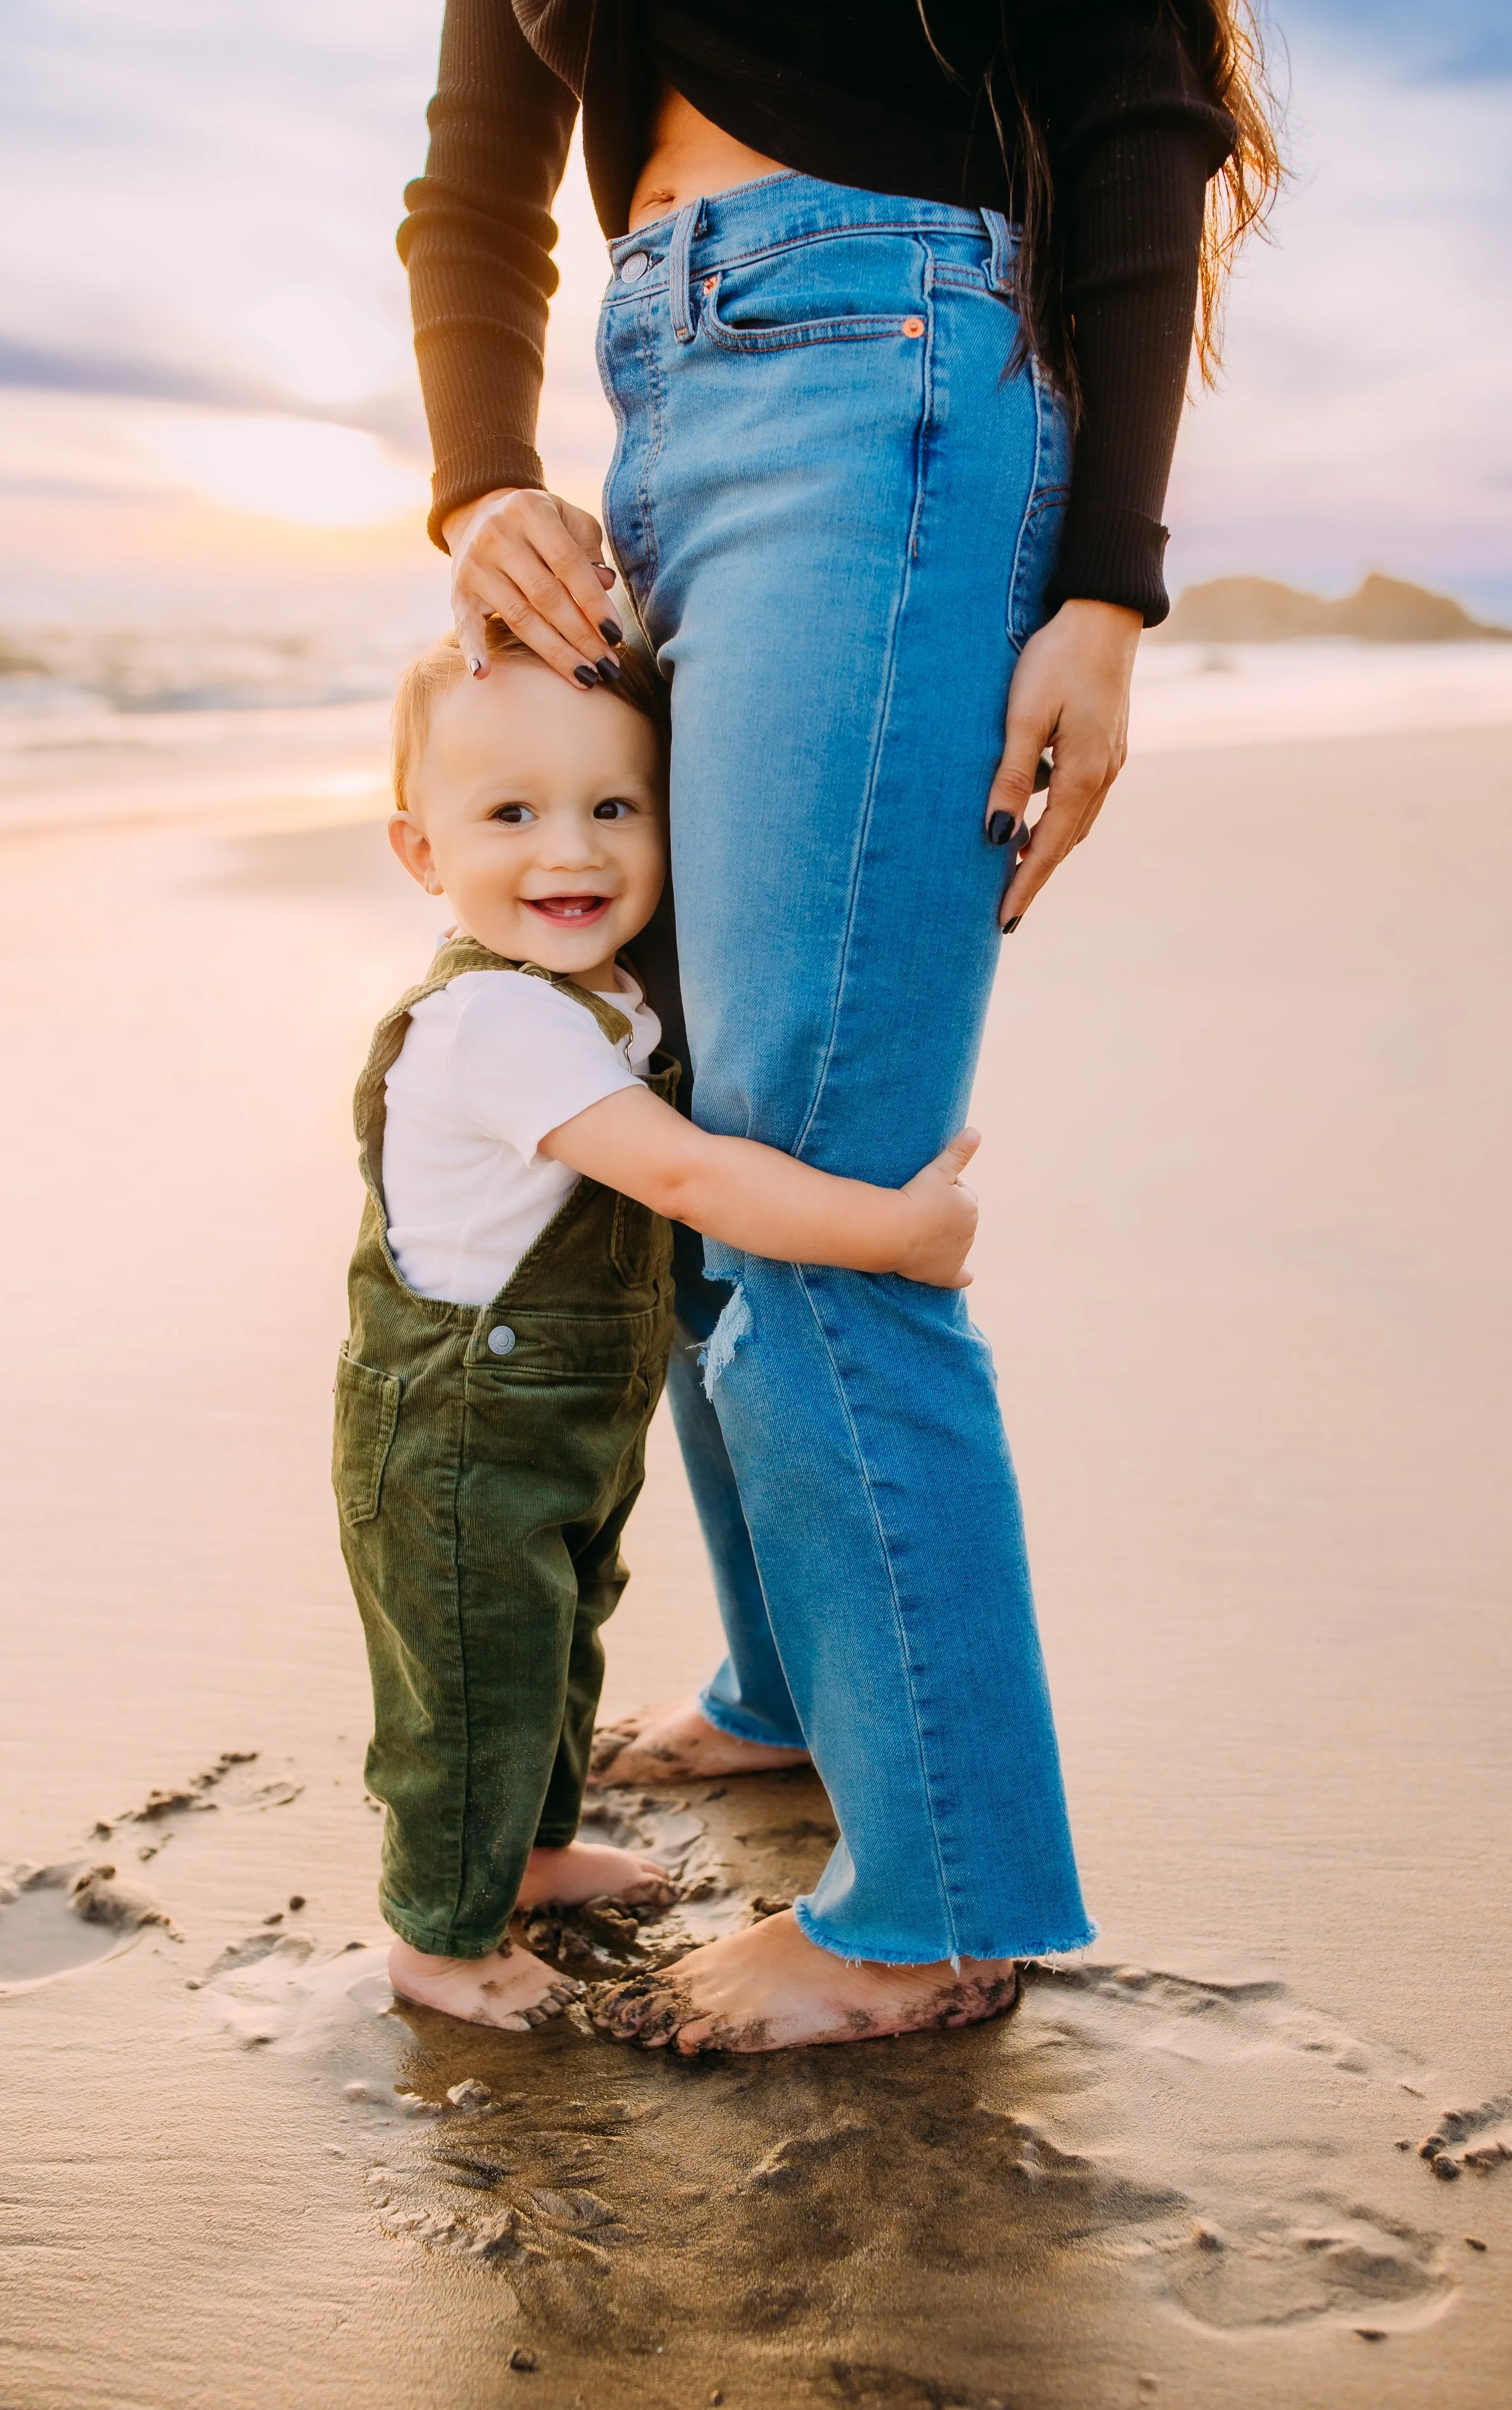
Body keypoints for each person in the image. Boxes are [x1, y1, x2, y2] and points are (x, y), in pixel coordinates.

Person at [396, 2, 1279, 2051]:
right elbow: (474, 165)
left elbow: (1133, 93)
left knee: (803, 1173)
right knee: (683, 1115)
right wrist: (475, 484)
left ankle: (932, 1910)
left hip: (883, 359)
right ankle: (790, 1686)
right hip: (659, 401)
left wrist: (1107, 591)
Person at [332, 623, 983, 2030]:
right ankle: (437, 1939)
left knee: (558, 1640)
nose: (570, 849)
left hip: (558, 1420)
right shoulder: (496, 1026)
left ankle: (535, 1852)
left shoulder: (600, 998)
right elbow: (685, 1176)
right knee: (471, 1675)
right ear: (421, 852)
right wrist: (894, 1233)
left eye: (612, 808)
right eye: (510, 813)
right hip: (455, 1430)